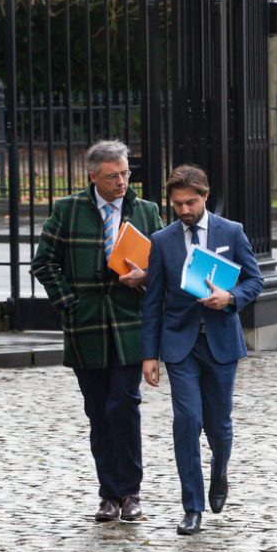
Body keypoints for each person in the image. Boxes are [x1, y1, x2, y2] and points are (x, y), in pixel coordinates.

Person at [31, 139, 164, 523]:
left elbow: (166, 264)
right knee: (98, 412)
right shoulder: (68, 210)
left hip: (129, 325)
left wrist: (147, 276)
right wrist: (69, 303)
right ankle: (108, 493)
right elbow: (44, 263)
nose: (121, 181)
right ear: (93, 177)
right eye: (112, 176)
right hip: (86, 325)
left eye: (125, 173)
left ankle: (130, 492)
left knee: (123, 405)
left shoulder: (146, 211)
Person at [140, 165, 263, 536]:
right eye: (177, 204)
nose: (183, 210)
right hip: (180, 345)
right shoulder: (163, 240)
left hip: (221, 341)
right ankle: (191, 507)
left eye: (190, 202)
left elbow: (255, 280)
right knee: (187, 422)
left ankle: (220, 471)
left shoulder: (232, 232)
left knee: (219, 425)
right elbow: (153, 301)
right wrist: (149, 354)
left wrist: (231, 298)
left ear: (205, 197)